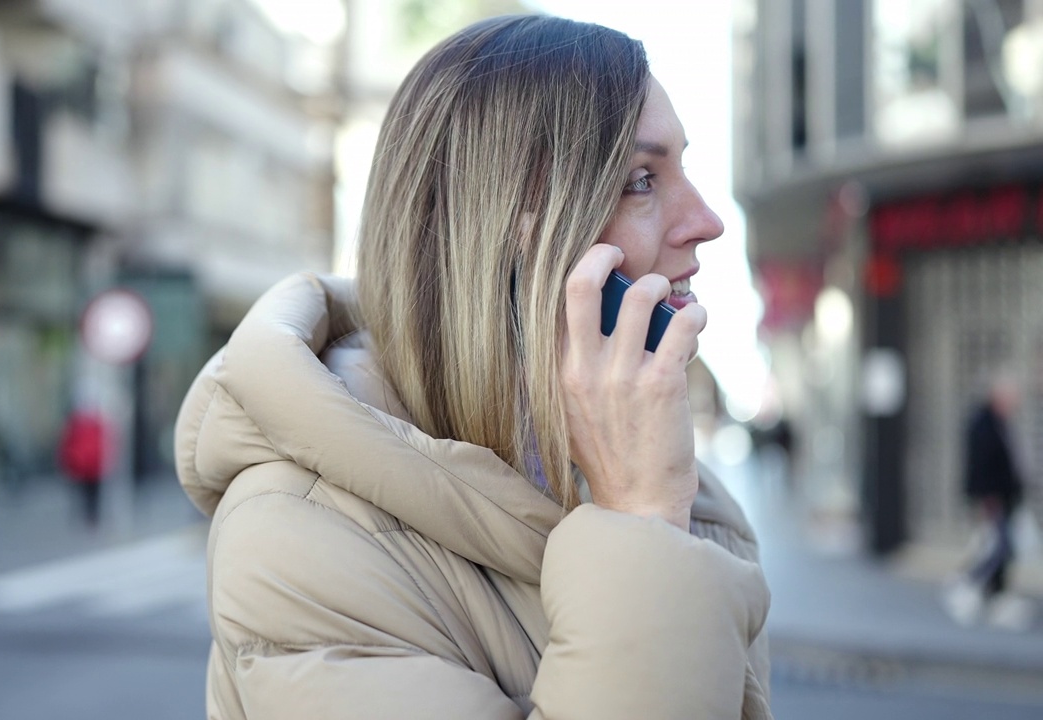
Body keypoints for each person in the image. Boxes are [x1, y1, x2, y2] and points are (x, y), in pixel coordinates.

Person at [174, 14, 771, 718]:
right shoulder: (297, 541)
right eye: (642, 179)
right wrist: (641, 526)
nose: (705, 219)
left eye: (681, 168)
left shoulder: (689, 494)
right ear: (511, 227)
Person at [945, 369, 1032, 630]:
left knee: (1000, 548)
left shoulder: (999, 422)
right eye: (1012, 395)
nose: (1016, 400)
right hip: (992, 498)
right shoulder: (983, 424)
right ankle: (965, 587)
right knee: (995, 548)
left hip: (1005, 498)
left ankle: (995, 596)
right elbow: (981, 466)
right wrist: (987, 498)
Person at [58, 406, 110, 528]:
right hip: (87, 465)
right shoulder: (87, 425)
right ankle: (89, 517)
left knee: (90, 493)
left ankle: (90, 517)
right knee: (88, 493)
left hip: (89, 465)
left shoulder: (84, 425)